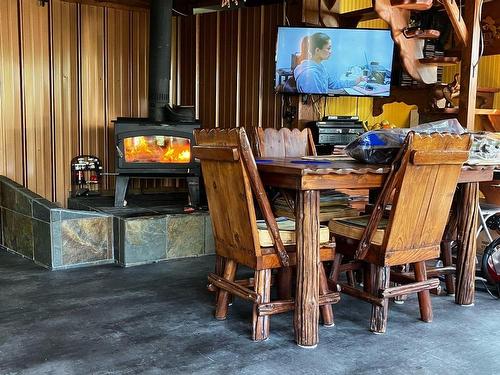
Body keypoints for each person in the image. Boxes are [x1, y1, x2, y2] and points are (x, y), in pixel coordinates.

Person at [293, 32, 364, 94]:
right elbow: (315, 100)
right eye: (328, 48)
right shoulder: (311, 74)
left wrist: (355, 81)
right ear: (317, 50)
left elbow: (332, 84)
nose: (331, 51)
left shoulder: (320, 66)